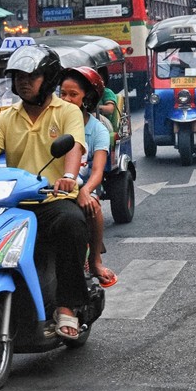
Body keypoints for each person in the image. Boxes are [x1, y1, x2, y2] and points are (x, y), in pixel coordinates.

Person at [0, 44, 89, 340]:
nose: (23, 82)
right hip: (14, 203)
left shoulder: (67, 111)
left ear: (48, 78)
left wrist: (68, 176)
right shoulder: (6, 116)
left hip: (52, 199)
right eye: (18, 77)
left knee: (72, 223)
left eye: (31, 76)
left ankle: (67, 306)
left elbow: (73, 146)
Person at [59, 66, 117, 287]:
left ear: (88, 98)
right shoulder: (52, 123)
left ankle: (95, 261)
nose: (66, 99)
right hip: (52, 187)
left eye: (73, 95)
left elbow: (97, 172)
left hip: (82, 186)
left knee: (93, 205)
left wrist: (83, 190)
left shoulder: (98, 131)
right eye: (63, 94)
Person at [96, 66, 121, 132]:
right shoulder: (87, 93)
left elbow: (110, 109)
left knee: (92, 116)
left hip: (105, 124)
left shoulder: (106, 92)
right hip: (92, 123)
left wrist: (95, 109)